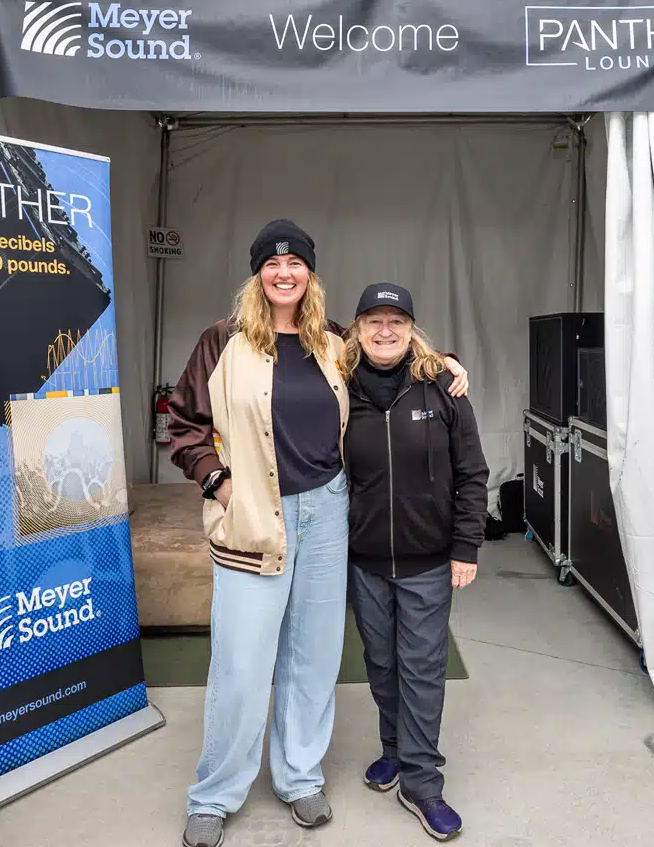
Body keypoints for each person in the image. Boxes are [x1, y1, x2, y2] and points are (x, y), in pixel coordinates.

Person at [167, 222, 469, 847]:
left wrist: (446, 364)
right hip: (253, 519)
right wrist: (220, 485)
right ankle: (216, 793)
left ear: (310, 274)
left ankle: (299, 776)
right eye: (272, 263)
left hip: (329, 515)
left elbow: (397, 357)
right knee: (243, 662)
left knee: (314, 658)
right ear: (257, 275)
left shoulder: (332, 343)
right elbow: (184, 425)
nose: (285, 272)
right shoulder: (220, 342)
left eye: (296, 263)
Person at [340, 283, 489, 842]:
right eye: (373, 321)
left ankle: (422, 782)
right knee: (381, 663)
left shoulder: (444, 387)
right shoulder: (340, 389)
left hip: (429, 560)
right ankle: (394, 751)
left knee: (423, 668)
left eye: (395, 322)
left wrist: (465, 546)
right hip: (365, 558)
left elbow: (473, 473)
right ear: (356, 328)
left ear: (411, 329)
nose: (384, 331)